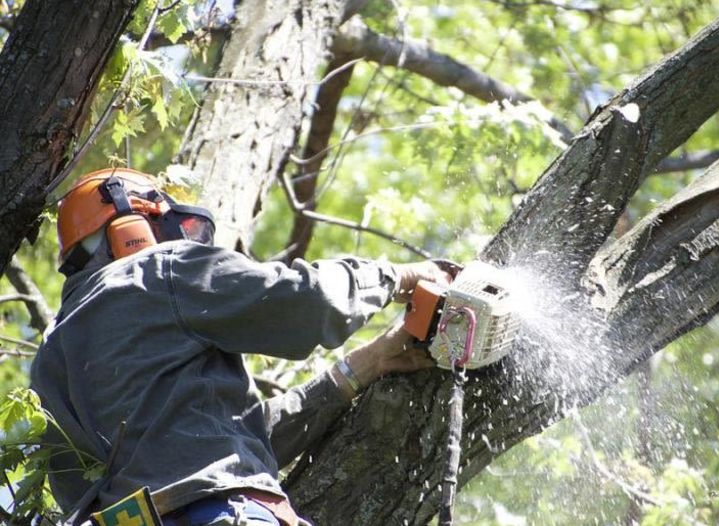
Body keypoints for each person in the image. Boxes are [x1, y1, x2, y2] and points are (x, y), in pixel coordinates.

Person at [30, 168, 451, 526]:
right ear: (130, 229)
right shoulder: (158, 269)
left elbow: (223, 446)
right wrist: (400, 276)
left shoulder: (49, 362)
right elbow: (308, 301)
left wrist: (363, 366)